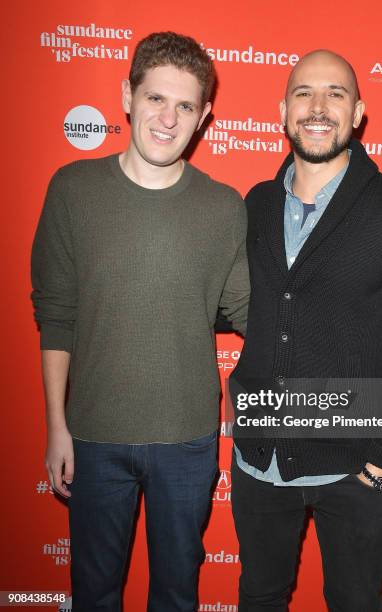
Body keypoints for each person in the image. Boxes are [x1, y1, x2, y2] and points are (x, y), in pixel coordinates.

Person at [31, 31, 249, 612]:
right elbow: (56, 316)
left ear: (204, 117)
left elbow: (250, 310)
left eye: (185, 105)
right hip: (95, 434)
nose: (168, 118)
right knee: (94, 593)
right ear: (126, 96)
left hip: (189, 440)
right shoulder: (72, 191)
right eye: (155, 98)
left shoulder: (225, 207)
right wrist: (57, 424)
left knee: (177, 594)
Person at [229, 49, 382, 611]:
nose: (318, 106)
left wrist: (381, 463)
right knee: (258, 597)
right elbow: (235, 308)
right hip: (259, 462)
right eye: (303, 93)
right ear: (283, 111)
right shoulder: (252, 206)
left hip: (353, 469)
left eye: (335, 94)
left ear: (358, 113)